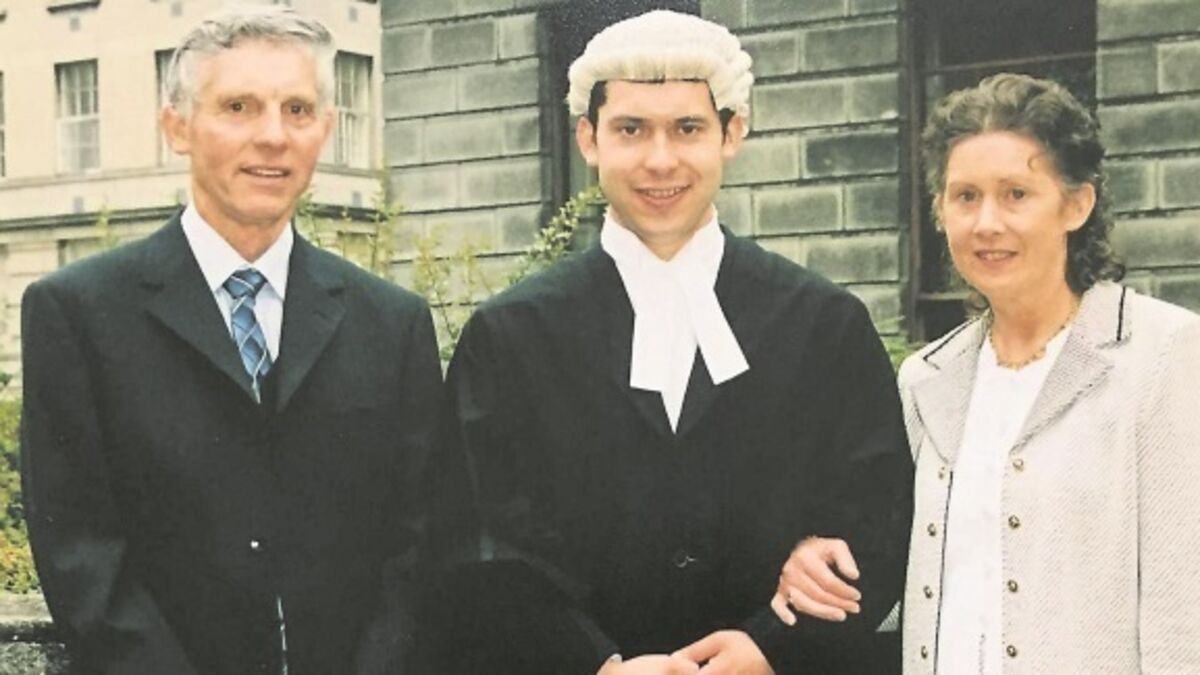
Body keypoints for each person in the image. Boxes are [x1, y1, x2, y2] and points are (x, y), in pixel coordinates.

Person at [425, 10, 912, 674]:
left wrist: (770, 644)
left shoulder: (825, 324)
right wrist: (596, 663)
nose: (660, 160)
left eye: (687, 128)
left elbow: (881, 520)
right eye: (631, 129)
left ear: (732, 133)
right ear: (589, 138)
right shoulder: (509, 338)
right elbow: (475, 542)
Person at [20, 6, 441, 674]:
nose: (272, 136)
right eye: (238, 107)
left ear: (326, 129)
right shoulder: (79, 314)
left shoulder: (392, 323)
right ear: (177, 127)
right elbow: (81, 554)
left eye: (297, 110)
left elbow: (418, 546)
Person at [772, 73, 1200, 672]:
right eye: (965, 196)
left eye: (1016, 194)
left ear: (1077, 204)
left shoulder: (1164, 355)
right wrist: (812, 562)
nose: (986, 223)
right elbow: (900, 577)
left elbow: (1184, 609)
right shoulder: (926, 379)